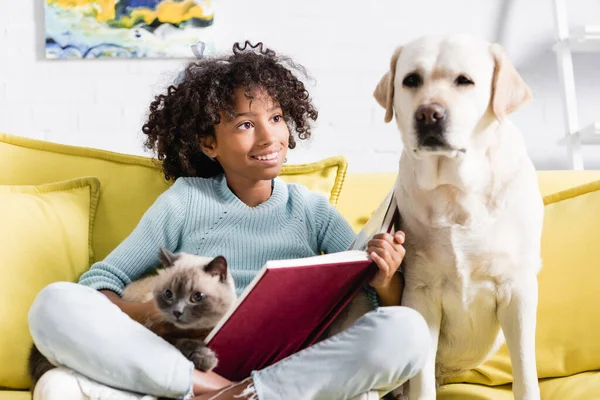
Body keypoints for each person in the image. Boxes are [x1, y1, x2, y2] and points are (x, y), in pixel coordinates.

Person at [28, 41, 430, 400]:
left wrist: (384, 276)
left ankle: (248, 392)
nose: (269, 138)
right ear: (209, 143)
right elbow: (98, 286)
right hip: (191, 360)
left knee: (407, 330)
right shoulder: (185, 201)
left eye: (276, 118)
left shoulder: (313, 209)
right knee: (54, 304)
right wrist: (160, 315)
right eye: (244, 125)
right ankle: (222, 393)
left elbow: (372, 303)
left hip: (289, 364)